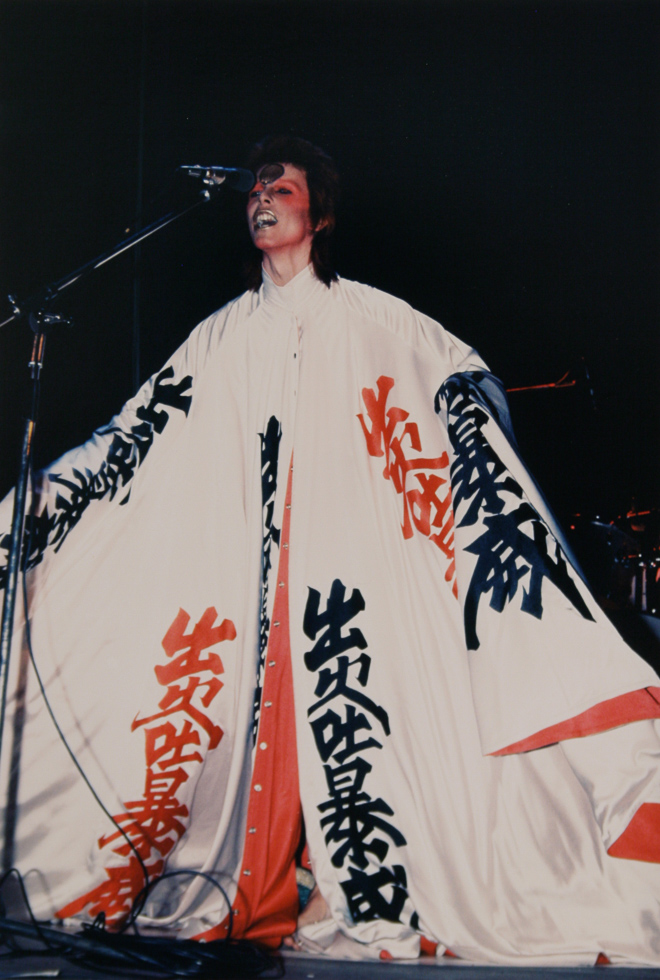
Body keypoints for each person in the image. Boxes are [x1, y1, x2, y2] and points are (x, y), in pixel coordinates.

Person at [1, 135, 660, 965]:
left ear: (321, 213)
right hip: (251, 586)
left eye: (281, 186)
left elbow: (462, 378)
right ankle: (252, 879)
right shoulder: (220, 336)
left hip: (355, 578)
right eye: (253, 190)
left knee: (384, 739)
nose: (260, 198)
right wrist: (38, 502)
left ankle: (371, 882)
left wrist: (460, 419)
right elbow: (136, 431)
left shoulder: (378, 320)